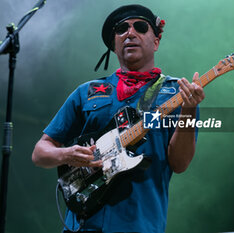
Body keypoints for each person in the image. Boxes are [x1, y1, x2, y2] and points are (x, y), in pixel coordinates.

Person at [32, 4, 205, 233]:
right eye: (121, 29)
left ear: (156, 41)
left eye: (141, 27)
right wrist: (66, 154)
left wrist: (190, 110)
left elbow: (180, 164)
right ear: (114, 45)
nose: (130, 33)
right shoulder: (87, 92)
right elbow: (40, 152)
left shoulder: (177, 94)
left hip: (139, 225)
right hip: (82, 225)